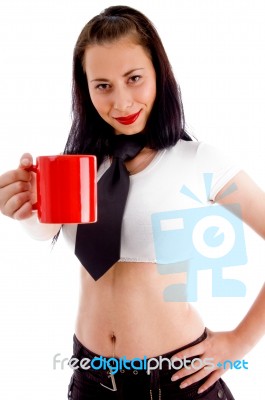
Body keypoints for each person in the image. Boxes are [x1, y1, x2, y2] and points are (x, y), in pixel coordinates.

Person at [0, 5, 264, 399]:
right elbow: (44, 230)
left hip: (177, 380)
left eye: (134, 78)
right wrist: (23, 203)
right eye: (103, 85)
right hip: (91, 378)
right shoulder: (80, 167)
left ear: (160, 74)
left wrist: (239, 342)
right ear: (85, 89)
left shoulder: (198, 160)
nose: (121, 102)